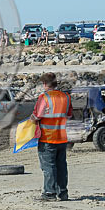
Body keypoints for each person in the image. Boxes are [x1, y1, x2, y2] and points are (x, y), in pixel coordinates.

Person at [30, 72, 73, 201]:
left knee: (49, 166)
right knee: (61, 166)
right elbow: (69, 115)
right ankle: (63, 193)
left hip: (48, 138)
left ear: (44, 84)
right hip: (62, 137)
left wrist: (30, 120)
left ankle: (49, 193)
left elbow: (36, 116)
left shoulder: (44, 98)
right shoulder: (66, 97)